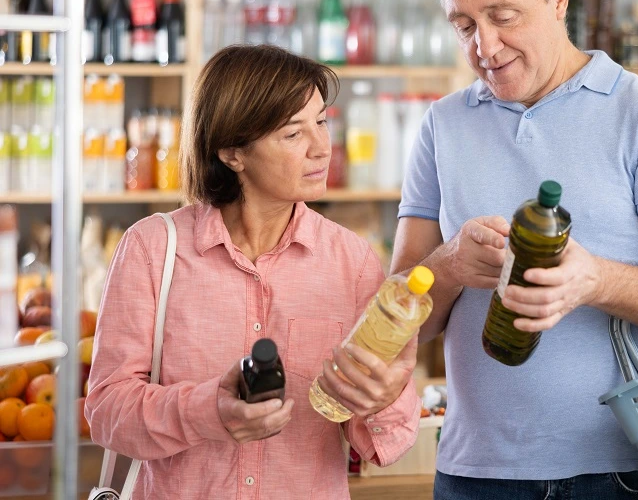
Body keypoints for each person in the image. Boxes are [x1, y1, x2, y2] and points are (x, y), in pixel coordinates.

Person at [390, 0, 638, 500]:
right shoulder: (442, 125)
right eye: (464, 24)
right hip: (476, 474)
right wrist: (447, 266)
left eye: (503, 17)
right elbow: (399, 321)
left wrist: (593, 280)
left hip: (626, 473)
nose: (484, 46)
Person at [85, 45, 421, 499]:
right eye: (292, 134)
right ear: (233, 153)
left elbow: (388, 444)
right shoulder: (152, 250)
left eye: (321, 122)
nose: (322, 147)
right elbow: (107, 413)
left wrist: (382, 402)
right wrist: (209, 412)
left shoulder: (354, 262)